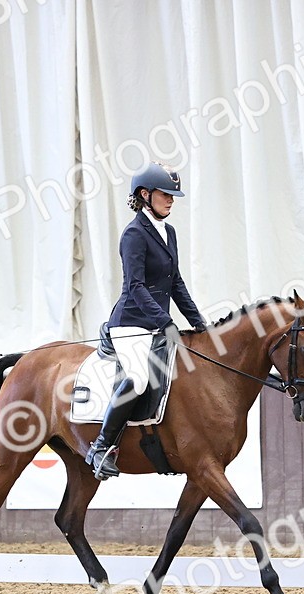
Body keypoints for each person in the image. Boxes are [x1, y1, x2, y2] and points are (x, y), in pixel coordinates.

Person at [85, 162, 207, 480]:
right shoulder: (134, 234)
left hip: (155, 324)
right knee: (138, 379)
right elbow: (136, 286)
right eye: (165, 194)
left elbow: (175, 283)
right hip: (130, 323)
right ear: (144, 194)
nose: (171, 200)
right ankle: (100, 447)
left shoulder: (169, 232)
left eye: (172, 195)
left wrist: (199, 323)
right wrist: (165, 321)